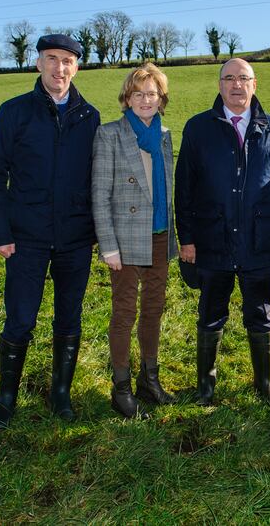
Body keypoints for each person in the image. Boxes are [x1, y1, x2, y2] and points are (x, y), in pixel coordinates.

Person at [0, 34, 100, 432]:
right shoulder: (14, 112)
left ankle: (60, 393)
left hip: (75, 237)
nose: (59, 67)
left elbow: (98, 179)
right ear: (38, 64)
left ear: (76, 67)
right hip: (25, 237)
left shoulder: (90, 116)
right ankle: (6, 397)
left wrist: (100, 233)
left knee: (69, 317)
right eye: (52, 59)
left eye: (67, 60)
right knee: (20, 318)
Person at [175, 58, 270, 407]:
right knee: (210, 312)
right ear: (219, 84)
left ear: (255, 85)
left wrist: (268, 219)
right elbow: (185, 188)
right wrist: (189, 238)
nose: (236, 85)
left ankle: (265, 385)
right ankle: (205, 387)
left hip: (259, 242)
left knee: (261, 312)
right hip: (212, 239)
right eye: (229, 78)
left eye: (243, 78)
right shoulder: (198, 128)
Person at [92, 63, 178, 419]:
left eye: (152, 94)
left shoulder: (165, 134)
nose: (145, 100)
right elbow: (99, 194)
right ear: (127, 99)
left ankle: (150, 379)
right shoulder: (109, 134)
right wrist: (108, 246)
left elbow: (169, 190)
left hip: (159, 235)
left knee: (154, 309)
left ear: (161, 101)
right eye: (138, 94)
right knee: (125, 312)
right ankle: (122, 389)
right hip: (125, 241)